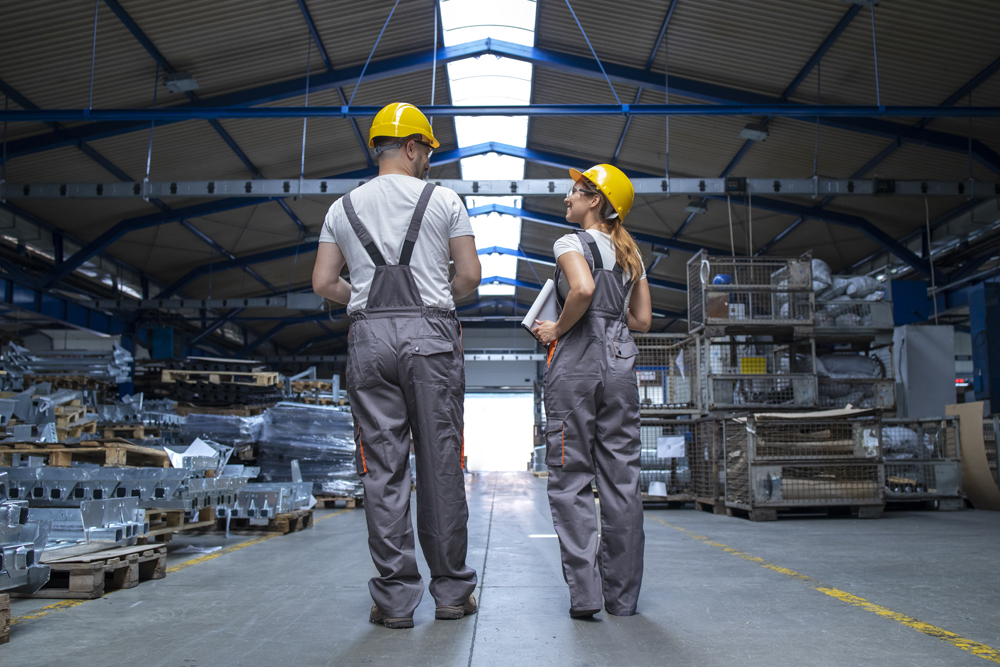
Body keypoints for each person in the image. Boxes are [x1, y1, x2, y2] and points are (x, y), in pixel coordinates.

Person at [312, 102, 482, 629]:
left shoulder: (341, 208)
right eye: (427, 149)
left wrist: (362, 298)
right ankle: (451, 594)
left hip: (368, 339)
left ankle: (393, 602)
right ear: (411, 147)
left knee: (383, 471)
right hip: (429, 337)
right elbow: (470, 277)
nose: (428, 159)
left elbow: (323, 283)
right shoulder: (444, 200)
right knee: (440, 466)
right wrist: (436, 299)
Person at [531, 163, 652, 619]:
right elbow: (641, 321)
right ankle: (622, 599)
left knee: (571, 477)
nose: (567, 198)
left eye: (575, 192)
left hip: (577, 361)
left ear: (595, 200)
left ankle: (585, 596)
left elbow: (580, 289)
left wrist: (556, 329)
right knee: (622, 481)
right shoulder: (631, 254)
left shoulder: (570, 243)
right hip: (621, 362)